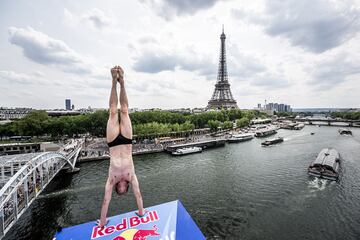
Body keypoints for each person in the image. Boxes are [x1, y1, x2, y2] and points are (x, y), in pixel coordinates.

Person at [99, 66, 145, 227]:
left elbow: (107, 200)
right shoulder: (127, 177)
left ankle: (116, 82)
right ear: (124, 188)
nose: (124, 191)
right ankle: (119, 82)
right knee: (120, 111)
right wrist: (141, 213)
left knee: (118, 111)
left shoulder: (116, 179)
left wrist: (102, 224)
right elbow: (136, 195)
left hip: (121, 143)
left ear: (123, 188)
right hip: (121, 143)